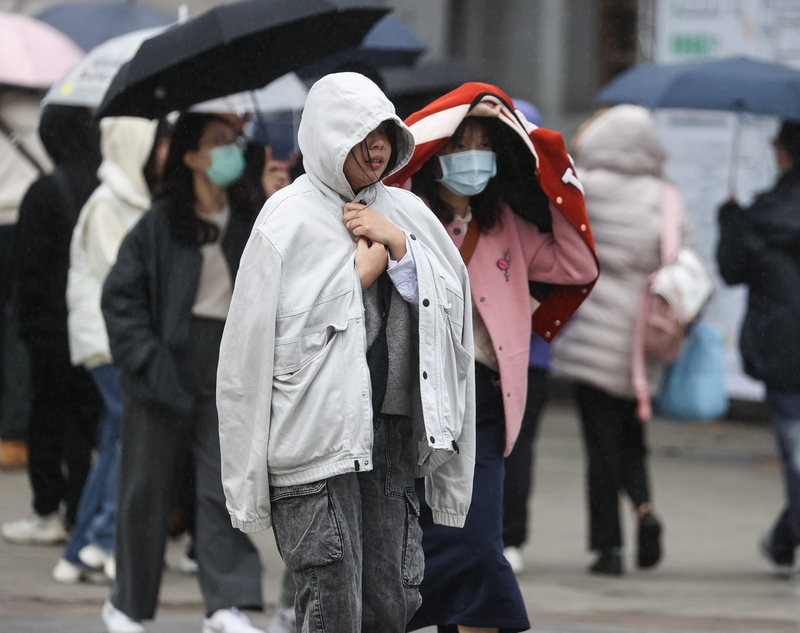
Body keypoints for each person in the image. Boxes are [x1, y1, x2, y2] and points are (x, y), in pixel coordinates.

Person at [216, 72, 476, 633]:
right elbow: (249, 358)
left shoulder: (408, 214)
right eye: (361, 134)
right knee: (332, 605)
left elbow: (455, 324)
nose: (377, 146)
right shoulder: (284, 220)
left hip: (391, 442)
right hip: (315, 446)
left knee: (391, 605)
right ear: (329, 138)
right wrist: (354, 279)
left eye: (385, 133)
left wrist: (403, 250)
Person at [386, 83, 600, 633]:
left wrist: (555, 180)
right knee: (418, 539)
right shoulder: (408, 213)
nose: (472, 157)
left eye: (485, 144)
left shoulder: (507, 221)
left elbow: (576, 264)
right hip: (416, 399)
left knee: (479, 544)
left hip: (483, 403)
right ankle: (384, 612)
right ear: (436, 154)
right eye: (461, 145)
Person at [100, 112, 265, 633]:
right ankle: (125, 605)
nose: (230, 150)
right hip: (164, 363)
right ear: (190, 156)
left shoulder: (251, 215)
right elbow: (119, 297)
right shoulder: (159, 222)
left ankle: (225, 603)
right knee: (145, 490)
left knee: (224, 485)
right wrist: (146, 359)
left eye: (235, 140)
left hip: (230, 362)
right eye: (218, 142)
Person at [550, 105, 685, 576]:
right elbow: (680, 256)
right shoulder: (664, 197)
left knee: (599, 444)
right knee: (632, 437)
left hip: (592, 331)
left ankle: (608, 549)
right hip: (640, 339)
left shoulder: (585, 186)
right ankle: (645, 509)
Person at [52, 116, 162, 584]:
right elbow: (123, 275)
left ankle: (81, 549)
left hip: (116, 341)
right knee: (129, 436)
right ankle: (98, 539)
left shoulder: (131, 199)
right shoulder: (107, 204)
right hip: (108, 343)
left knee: (117, 439)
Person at [2, 104, 102, 545]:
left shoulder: (43, 190)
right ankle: (80, 509)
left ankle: (46, 509)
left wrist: (24, 322)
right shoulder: (102, 187)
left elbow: (29, 268)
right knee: (86, 421)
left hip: (48, 328)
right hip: (94, 325)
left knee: (47, 416)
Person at [716, 120, 800, 577]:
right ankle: (784, 540)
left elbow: (732, 269)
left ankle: (785, 539)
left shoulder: (763, 215)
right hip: (785, 352)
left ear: (784, 154)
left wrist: (729, 220)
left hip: (784, 353)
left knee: (797, 455)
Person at [501, 98, 550, 575]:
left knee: (517, 447)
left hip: (531, 356)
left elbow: (571, 275)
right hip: (482, 355)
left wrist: (537, 320)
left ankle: (510, 533)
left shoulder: (544, 207)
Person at [0, 87, 53, 469]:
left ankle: (13, 425)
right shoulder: (39, 106)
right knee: (20, 325)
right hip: (33, 219)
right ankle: (17, 429)